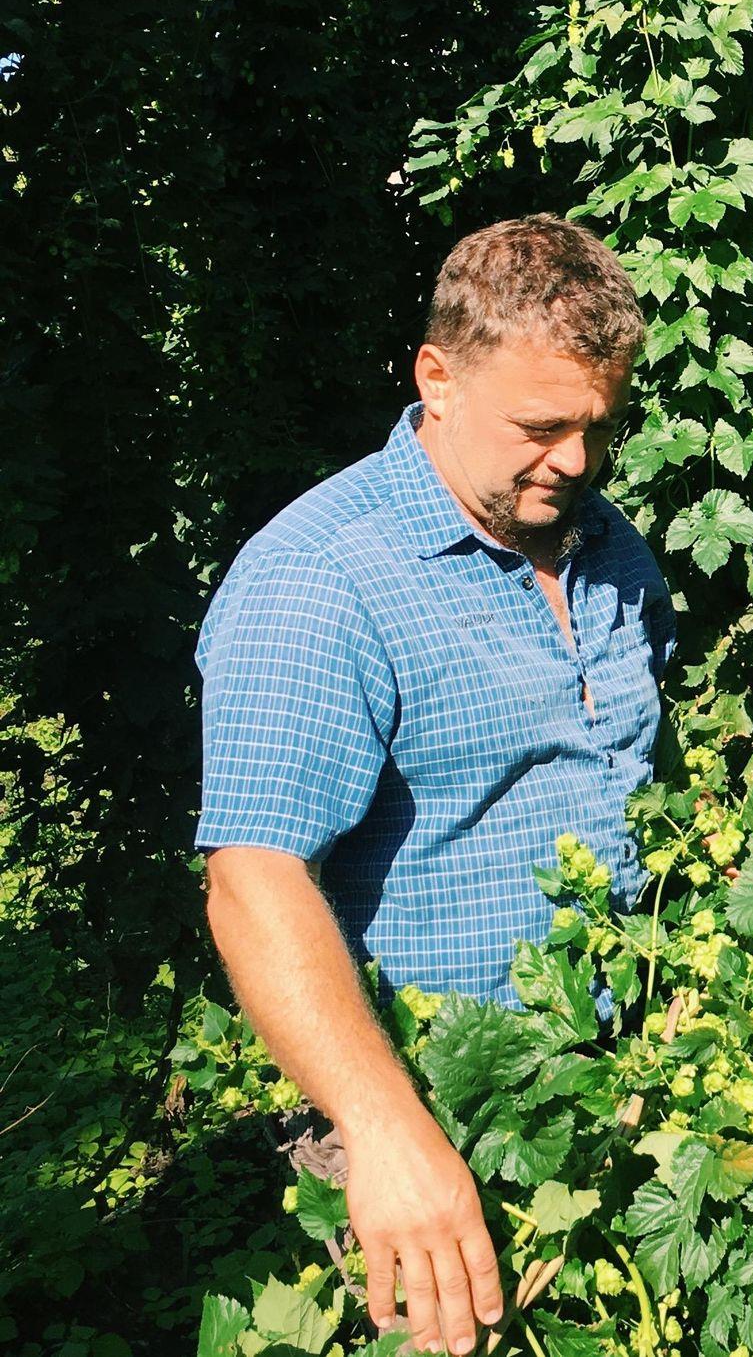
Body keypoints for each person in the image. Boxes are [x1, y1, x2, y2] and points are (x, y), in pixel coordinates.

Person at [193, 215, 675, 1357]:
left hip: (609, 1089)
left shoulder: (609, 548)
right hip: (427, 1115)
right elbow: (252, 878)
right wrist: (385, 1126)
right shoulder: (321, 578)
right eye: (540, 426)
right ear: (437, 380)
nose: (575, 460)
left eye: (599, 427)